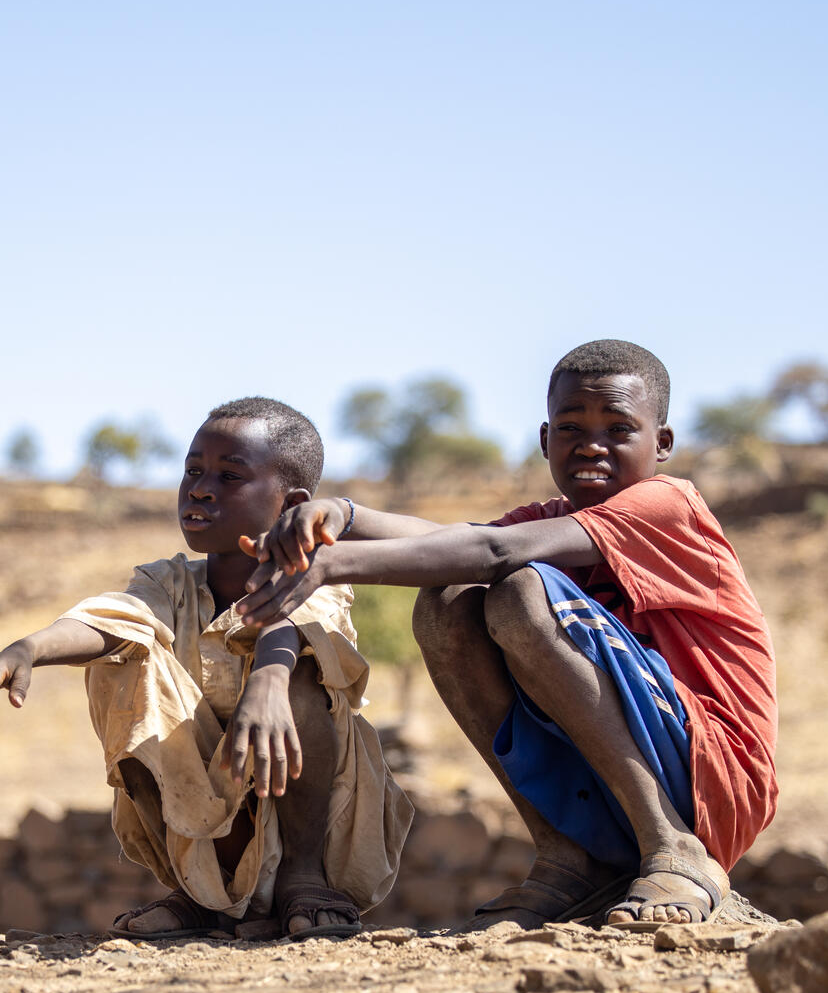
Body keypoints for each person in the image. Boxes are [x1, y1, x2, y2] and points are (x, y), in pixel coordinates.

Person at [237, 341, 777, 927]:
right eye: (571, 427)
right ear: (546, 441)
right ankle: (570, 862)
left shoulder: (666, 505)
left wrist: (332, 564)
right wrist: (345, 515)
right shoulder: (556, 521)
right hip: (638, 763)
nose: (591, 444)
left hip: (714, 773)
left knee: (519, 591)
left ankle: (674, 847)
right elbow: (450, 541)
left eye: (619, 428)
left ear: (662, 444)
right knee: (447, 601)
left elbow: (494, 551)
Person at [0, 398, 414, 940]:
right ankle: (205, 893)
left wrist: (269, 680)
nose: (200, 489)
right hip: (212, 825)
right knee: (122, 660)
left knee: (299, 678)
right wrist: (27, 649)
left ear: (290, 504)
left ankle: (304, 879)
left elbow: (295, 623)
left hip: (319, 829)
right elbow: (118, 619)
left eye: (229, 476)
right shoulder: (167, 583)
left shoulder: (318, 574)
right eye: (193, 471)